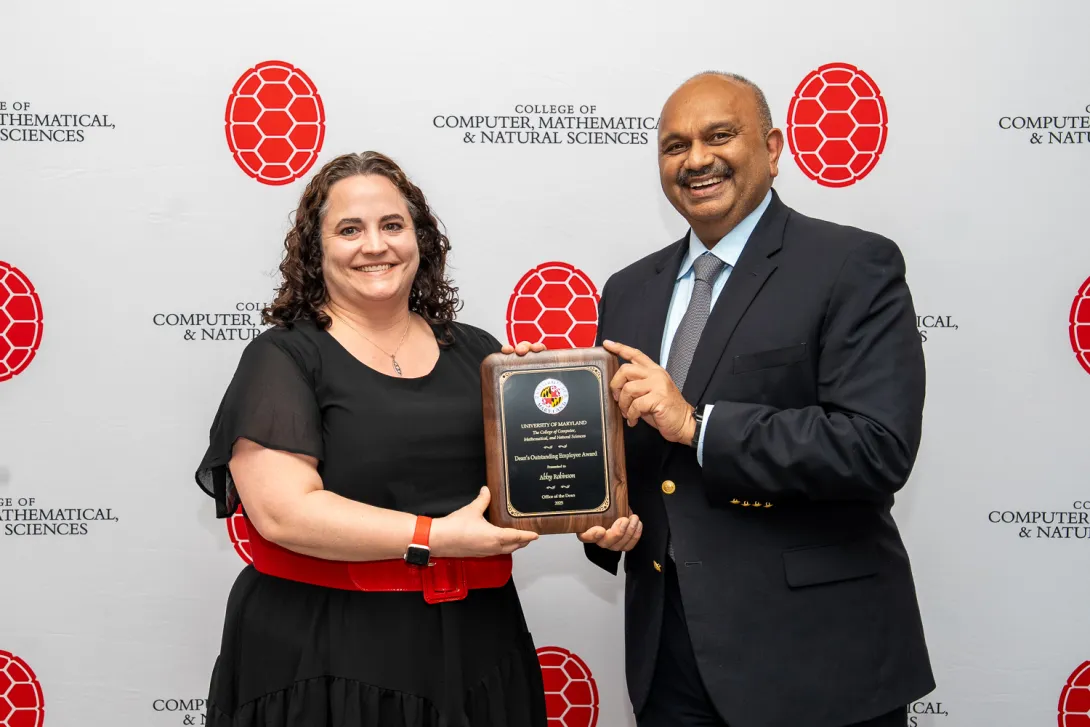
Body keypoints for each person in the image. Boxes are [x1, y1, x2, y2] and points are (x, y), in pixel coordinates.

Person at [579, 72, 935, 727]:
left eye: (720, 135)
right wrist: (604, 518)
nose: (696, 159)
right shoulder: (628, 290)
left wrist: (696, 423)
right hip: (669, 663)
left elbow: (876, 447)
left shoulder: (852, 265)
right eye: (674, 145)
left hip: (816, 658)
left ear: (773, 148)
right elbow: (631, 458)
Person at [193, 151, 553, 727]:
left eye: (392, 225)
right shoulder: (283, 357)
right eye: (349, 230)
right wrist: (435, 538)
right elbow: (285, 514)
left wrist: (563, 435)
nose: (375, 245)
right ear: (317, 250)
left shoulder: (480, 351)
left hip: (478, 643)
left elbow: (525, 486)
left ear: (420, 238)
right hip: (327, 652)